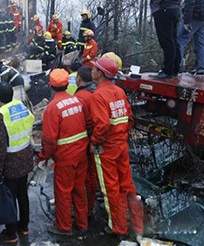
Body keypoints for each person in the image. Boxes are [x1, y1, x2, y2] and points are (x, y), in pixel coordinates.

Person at [89, 58, 143, 237]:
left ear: (101, 74)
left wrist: (95, 142)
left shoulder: (98, 95)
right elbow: (129, 117)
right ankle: (138, 225)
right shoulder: (119, 91)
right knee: (127, 185)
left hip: (107, 148)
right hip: (121, 145)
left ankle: (118, 228)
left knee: (110, 189)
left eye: (95, 68)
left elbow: (102, 124)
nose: (92, 70)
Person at [37, 69, 88, 236]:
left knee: (63, 192)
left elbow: (50, 139)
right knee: (79, 189)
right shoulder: (77, 100)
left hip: (66, 156)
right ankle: (82, 223)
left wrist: (43, 156)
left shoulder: (52, 108)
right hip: (81, 152)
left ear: (51, 86)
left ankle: (64, 227)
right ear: (67, 84)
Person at [0, 82, 34, 244]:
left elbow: (0, 147)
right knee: (22, 194)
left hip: (11, 163)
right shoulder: (20, 106)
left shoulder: (1, 115)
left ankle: (10, 233)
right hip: (25, 158)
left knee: (9, 199)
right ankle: (24, 226)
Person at [73, 66, 97, 216]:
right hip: (97, 139)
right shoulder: (96, 91)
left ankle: (85, 210)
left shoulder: (82, 97)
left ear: (79, 79)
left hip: (88, 141)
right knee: (92, 174)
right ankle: (89, 206)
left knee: (86, 176)